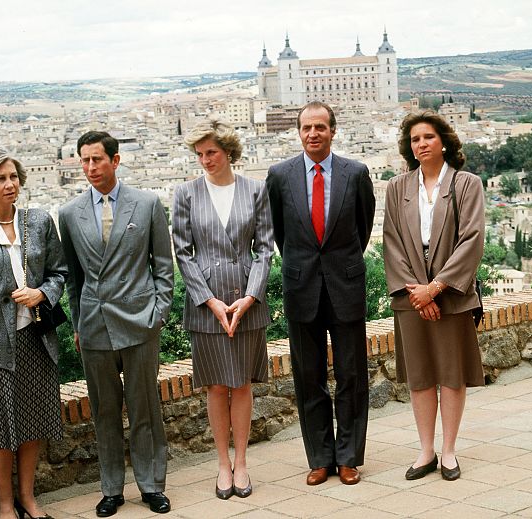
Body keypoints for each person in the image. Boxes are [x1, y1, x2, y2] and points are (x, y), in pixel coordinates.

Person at [58, 131, 174, 517]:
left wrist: (158, 314)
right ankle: (111, 489)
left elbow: (163, 266)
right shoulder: (69, 213)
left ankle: (151, 485)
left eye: (97, 159)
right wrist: (78, 322)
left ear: (115, 160)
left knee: (145, 408)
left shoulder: (146, 203)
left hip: (140, 321)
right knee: (104, 410)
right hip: (94, 324)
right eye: (85, 160)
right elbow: (73, 278)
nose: (91, 167)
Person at [266, 101, 375, 486]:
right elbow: (280, 233)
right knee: (307, 377)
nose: (313, 133)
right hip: (302, 287)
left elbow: (363, 227)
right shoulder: (279, 176)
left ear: (333, 130)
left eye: (320, 127)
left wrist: (337, 263)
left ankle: (348, 457)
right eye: (306, 128)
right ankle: (319, 458)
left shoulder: (356, 173)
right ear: (298, 133)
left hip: (345, 285)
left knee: (351, 376)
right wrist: (304, 265)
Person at [0, 146, 67, 519]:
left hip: (37, 337)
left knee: (33, 419)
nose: (10, 184)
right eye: (1, 178)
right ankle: (5, 503)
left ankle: (28, 499)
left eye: (14, 177)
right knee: (1, 425)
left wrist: (42, 293)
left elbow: (59, 272)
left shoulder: (38, 221)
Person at [172, 119, 273, 499]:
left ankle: (242, 463)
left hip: (246, 297)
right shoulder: (185, 193)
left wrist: (250, 297)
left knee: (242, 383)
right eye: (199, 154)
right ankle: (222, 464)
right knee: (215, 385)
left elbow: (265, 248)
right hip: (205, 301)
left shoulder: (255, 190)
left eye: (211, 152)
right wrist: (209, 301)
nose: (205, 160)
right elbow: (183, 252)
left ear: (228, 150)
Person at [383, 110, 485, 481]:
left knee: (451, 375)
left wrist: (435, 288)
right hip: (412, 298)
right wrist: (417, 292)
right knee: (421, 376)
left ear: (444, 141)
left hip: (451, 296)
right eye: (414, 140)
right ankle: (425, 450)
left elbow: (472, 241)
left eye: (427, 137)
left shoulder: (466, 184)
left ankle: (450, 451)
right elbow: (391, 243)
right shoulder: (397, 188)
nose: (421, 144)